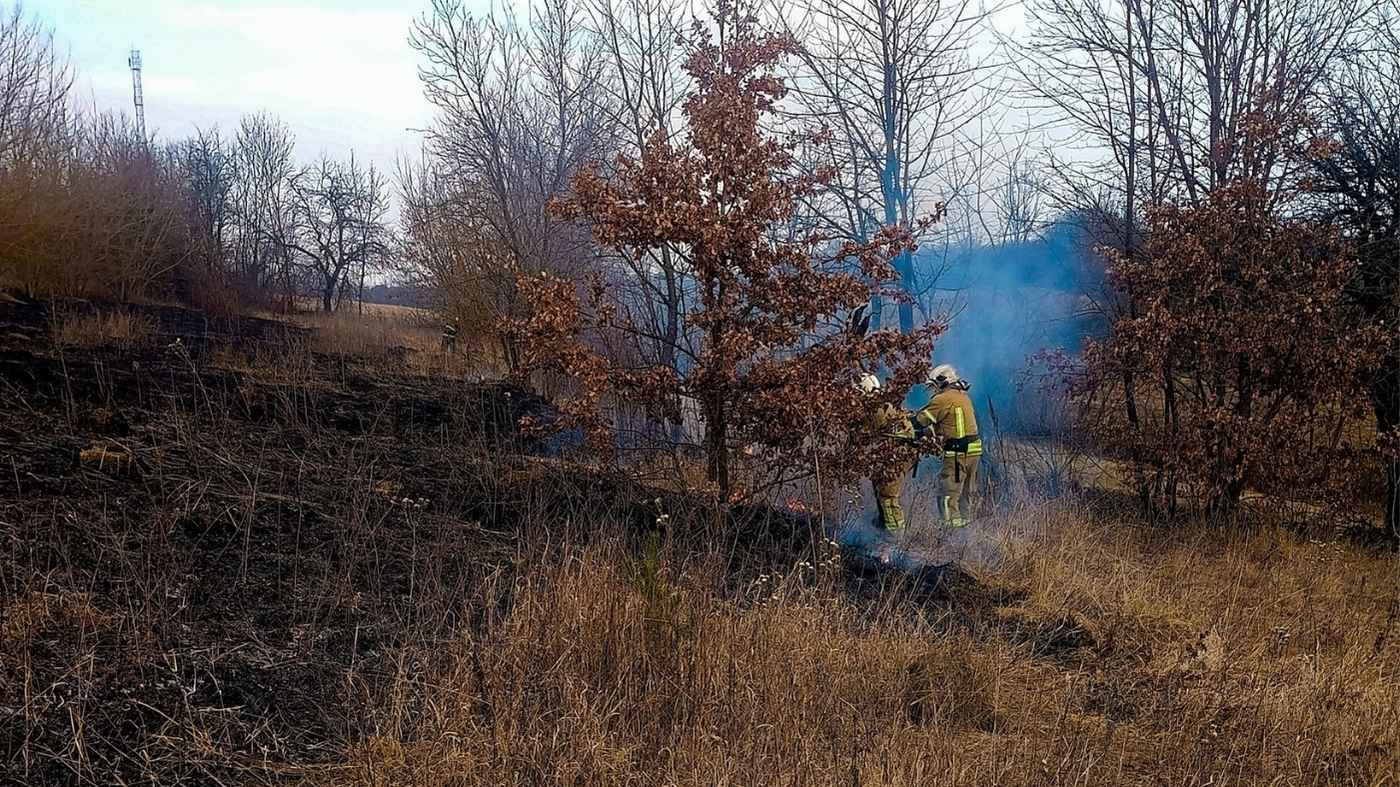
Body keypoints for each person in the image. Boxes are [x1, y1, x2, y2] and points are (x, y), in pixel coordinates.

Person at [915, 364, 982, 528]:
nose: (934, 390)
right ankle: (967, 530)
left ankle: (950, 532)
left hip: (958, 453)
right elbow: (949, 424)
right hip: (974, 451)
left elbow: (920, 420)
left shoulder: (942, 399)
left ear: (942, 381)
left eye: (934, 386)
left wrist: (909, 426)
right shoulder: (963, 397)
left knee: (948, 494)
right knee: (967, 492)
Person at [859, 373, 914, 533]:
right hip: (898, 452)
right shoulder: (884, 402)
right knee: (880, 486)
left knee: (888, 496)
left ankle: (895, 537)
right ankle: (883, 526)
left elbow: (862, 435)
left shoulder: (874, 408)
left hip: (897, 454)